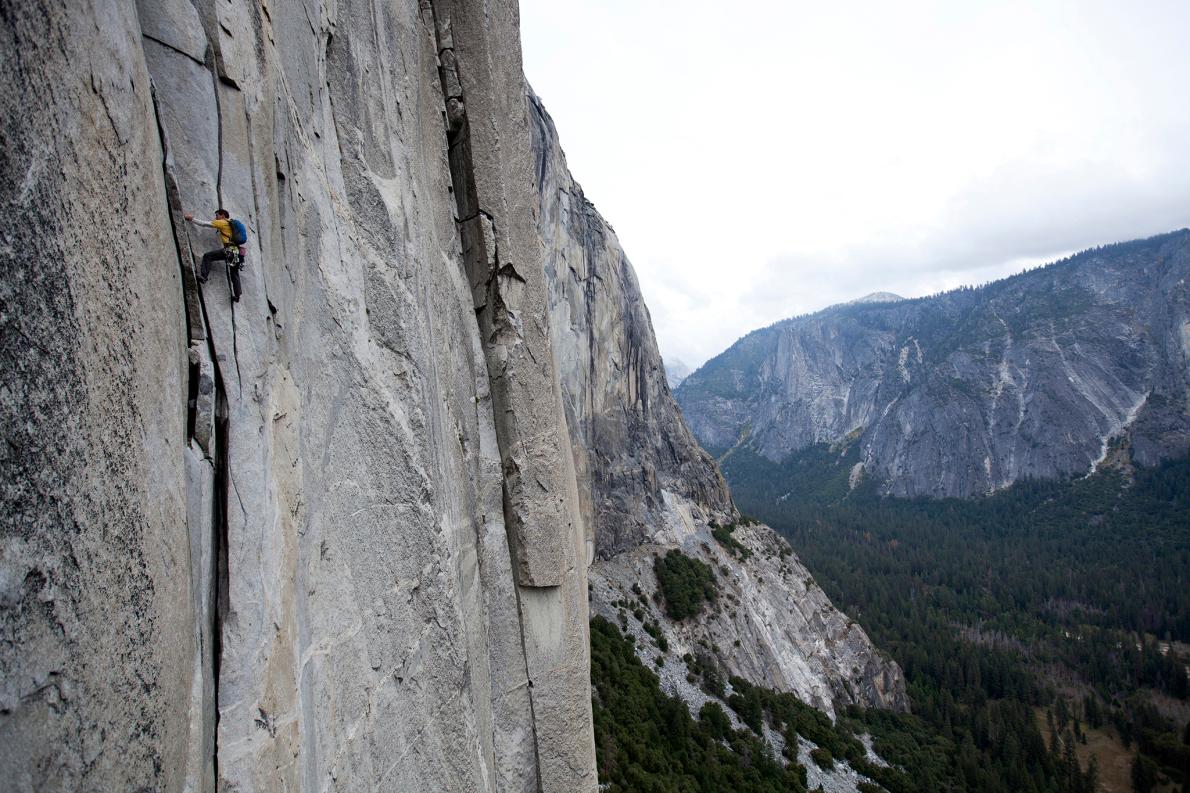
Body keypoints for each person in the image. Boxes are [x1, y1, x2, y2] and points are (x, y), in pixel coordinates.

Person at [184, 208, 243, 302]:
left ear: (223, 215)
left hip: (230, 249)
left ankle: (204, 277)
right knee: (234, 273)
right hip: (237, 252)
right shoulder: (231, 224)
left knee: (208, 256)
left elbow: (205, 224)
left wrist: (192, 219)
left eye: (217, 216)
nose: (215, 218)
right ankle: (237, 296)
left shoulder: (222, 222)